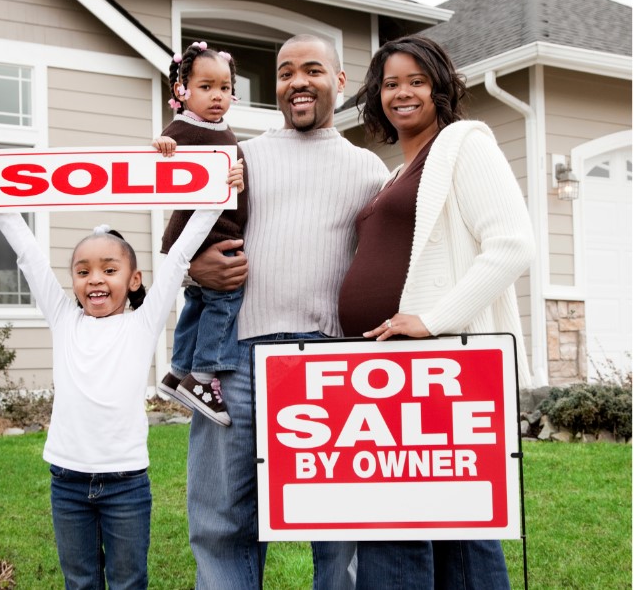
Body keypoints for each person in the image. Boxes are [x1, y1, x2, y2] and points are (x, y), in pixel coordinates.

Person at [0, 158, 241, 589]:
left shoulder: (142, 322)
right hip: (67, 483)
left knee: (129, 581)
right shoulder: (63, 319)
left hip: (126, 485)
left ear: (133, 279)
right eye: (83, 271)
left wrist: (217, 195)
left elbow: (182, 254)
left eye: (109, 270)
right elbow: (29, 254)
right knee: (80, 582)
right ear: (72, 280)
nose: (95, 279)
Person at [183, 34, 389, 589]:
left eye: (313, 70)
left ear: (340, 82)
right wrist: (193, 267)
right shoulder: (238, 158)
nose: (297, 81)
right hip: (235, 360)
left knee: (340, 525)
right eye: (285, 72)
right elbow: (189, 236)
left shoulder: (370, 171)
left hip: (330, 364)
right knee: (222, 520)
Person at [337, 34, 535, 589]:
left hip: (439, 368)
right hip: (391, 374)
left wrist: (431, 320)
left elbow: (512, 244)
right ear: (376, 96)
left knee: (425, 521)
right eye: (391, 84)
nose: (403, 93)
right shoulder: (395, 171)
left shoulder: (464, 143)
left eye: (416, 81)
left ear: (440, 88)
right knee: (436, 519)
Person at [153, 40, 247, 427]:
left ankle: (177, 372)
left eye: (224, 88)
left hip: (211, 230)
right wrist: (163, 145)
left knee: (197, 304)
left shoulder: (219, 128)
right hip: (208, 235)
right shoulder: (186, 127)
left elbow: (225, 174)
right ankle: (203, 376)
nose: (217, 96)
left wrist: (237, 177)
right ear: (182, 91)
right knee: (225, 299)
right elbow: (162, 155)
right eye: (206, 87)